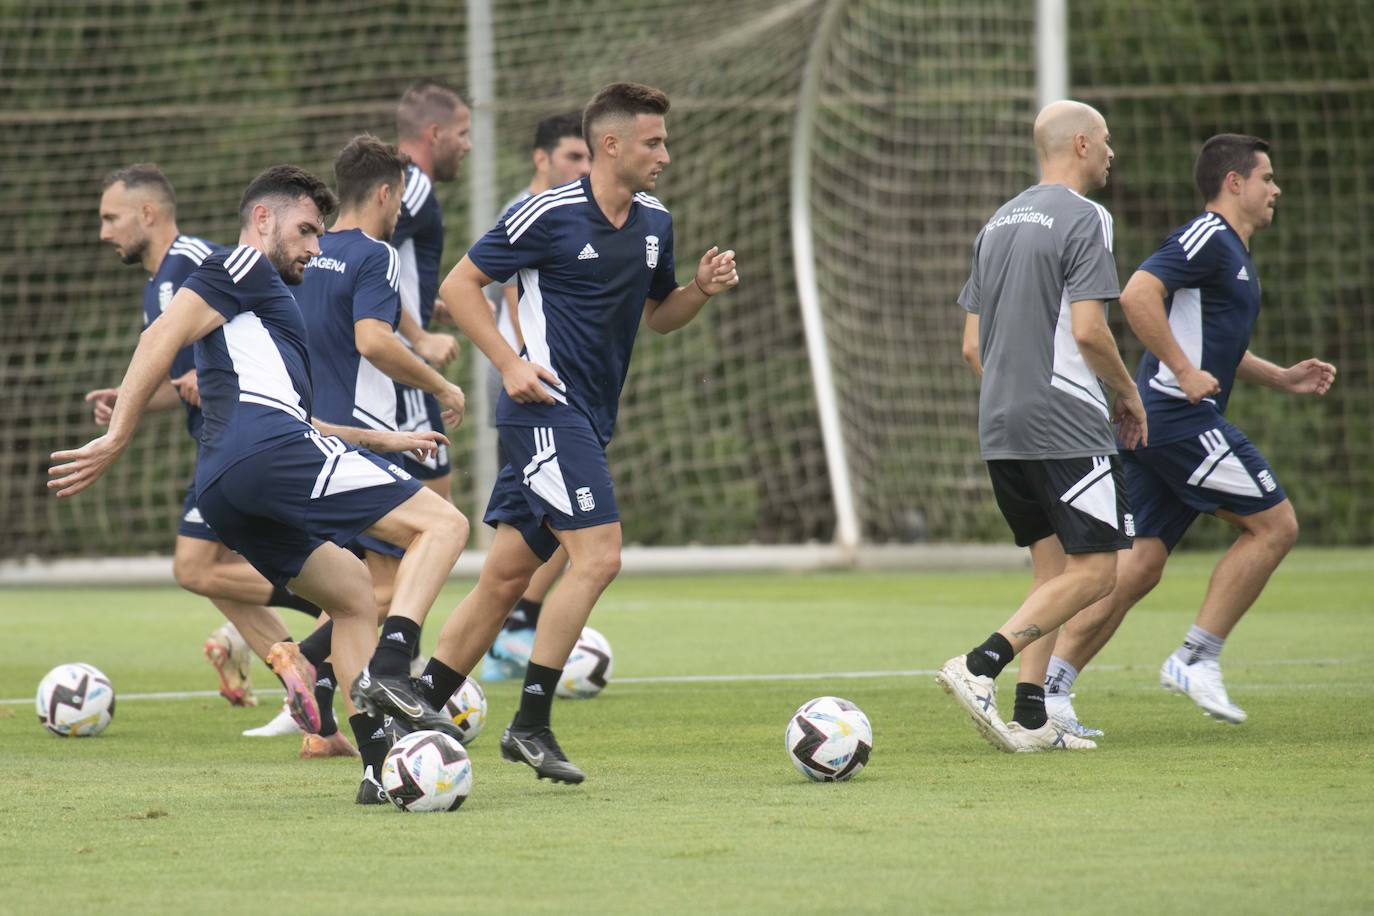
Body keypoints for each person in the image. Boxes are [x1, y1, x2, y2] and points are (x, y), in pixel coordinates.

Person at [50, 165, 469, 804]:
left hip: (226, 487)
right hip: (270, 454)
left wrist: (388, 440)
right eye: (306, 230)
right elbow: (163, 334)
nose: (315, 247)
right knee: (446, 525)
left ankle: (377, 768)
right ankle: (394, 671)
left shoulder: (262, 313)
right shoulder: (242, 265)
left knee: (354, 593)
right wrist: (117, 437)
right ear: (264, 219)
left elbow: (297, 419)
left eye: (320, 235)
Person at [409, 82, 738, 784]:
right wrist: (508, 363)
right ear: (610, 145)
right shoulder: (546, 214)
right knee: (599, 556)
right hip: (543, 413)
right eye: (653, 142)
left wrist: (701, 291)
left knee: (503, 581)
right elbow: (464, 286)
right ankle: (529, 724)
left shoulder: (655, 222)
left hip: (589, 421)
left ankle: (410, 721)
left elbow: (659, 315)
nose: (666, 156)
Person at [1040, 134, 1335, 733]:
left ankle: (1051, 692)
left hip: (1160, 423)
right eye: (1266, 178)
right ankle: (1197, 656)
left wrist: (1279, 376)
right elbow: (1137, 293)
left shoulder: (1236, 256)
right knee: (1275, 525)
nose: (1275, 189)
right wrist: (1180, 369)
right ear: (1234, 183)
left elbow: (1214, 347)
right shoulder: (1207, 238)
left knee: (1138, 566)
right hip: (1177, 420)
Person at [939, 99, 1146, 753]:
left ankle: (1033, 718)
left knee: (1052, 572)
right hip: (1065, 419)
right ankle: (978, 665)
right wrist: (1128, 393)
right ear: (1081, 144)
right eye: (1107, 139)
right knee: (1100, 573)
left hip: (999, 421)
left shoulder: (995, 224)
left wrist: (1015, 400)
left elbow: (973, 347)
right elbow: (1088, 330)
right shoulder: (1086, 217)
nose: (1113, 151)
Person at [88, 164, 325, 710]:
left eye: (110, 217)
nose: (104, 232)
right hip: (219, 444)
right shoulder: (157, 285)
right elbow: (194, 374)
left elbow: (259, 307)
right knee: (199, 572)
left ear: (148, 213)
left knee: (195, 568)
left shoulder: (194, 259)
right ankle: (298, 666)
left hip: (248, 439)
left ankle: (320, 614)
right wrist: (129, 397)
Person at [290, 134, 467, 758]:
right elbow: (373, 341)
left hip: (305, 440)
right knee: (398, 575)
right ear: (386, 194)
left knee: (355, 593)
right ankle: (316, 660)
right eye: (398, 202)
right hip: (365, 441)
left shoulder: (304, 253)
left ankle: (350, 746)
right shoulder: (375, 253)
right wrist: (440, 380)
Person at [480, 111, 591, 680]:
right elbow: (506, 292)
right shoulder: (529, 212)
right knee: (572, 527)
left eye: (588, 157)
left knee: (550, 522)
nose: (583, 167)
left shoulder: (587, 214)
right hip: (534, 390)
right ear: (541, 159)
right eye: (573, 156)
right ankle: (514, 628)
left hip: (568, 392)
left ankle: (513, 624)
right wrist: (523, 360)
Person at [391, 79, 471, 500]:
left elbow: (378, 267)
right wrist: (418, 335)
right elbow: (362, 261)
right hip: (397, 369)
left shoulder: (394, 183)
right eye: (462, 133)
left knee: (395, 532)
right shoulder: (414, 188)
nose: (468, 145)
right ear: (434, 134)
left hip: (381, 365)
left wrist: (427, 306)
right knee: (437, 522)